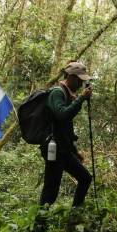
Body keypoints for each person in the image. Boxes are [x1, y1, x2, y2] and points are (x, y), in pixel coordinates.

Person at [39, 61, 93, 208]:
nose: (81, 84)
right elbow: (62, 115)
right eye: (79, 80)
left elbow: (65, 129)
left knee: (85, 178)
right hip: (54, 149)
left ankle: (75, 215)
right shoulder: (57, 93)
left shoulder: (68, 95)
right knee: (50, 192)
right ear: (71, 77)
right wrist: (81, 98)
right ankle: (39, 221)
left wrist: (75, 151)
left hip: (64, 149)